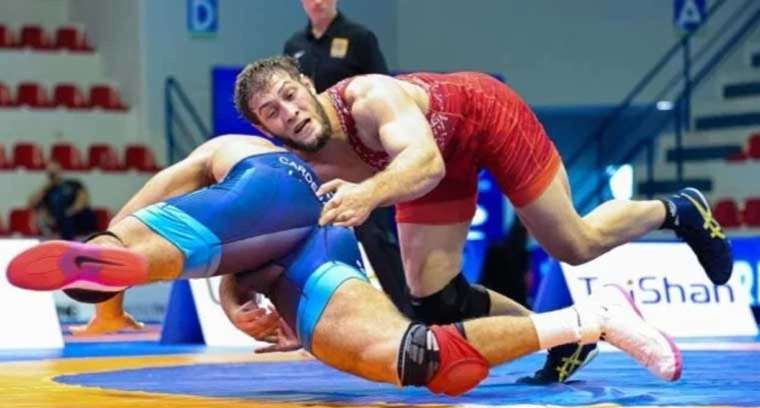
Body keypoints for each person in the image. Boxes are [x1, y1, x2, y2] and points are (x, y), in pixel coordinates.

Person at [6, 134, 682, 395]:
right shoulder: (282, 189)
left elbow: (164, 192)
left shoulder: (234, 149)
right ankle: (590, 318)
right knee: (415, 356)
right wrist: (240, 297)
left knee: (146, 247)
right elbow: (246, 252)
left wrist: (117, 251)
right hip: (312, 243)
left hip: (275, 200)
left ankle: (117, 259)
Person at [232, 55, 733, 382]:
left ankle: (679, 209)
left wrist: (367, 194)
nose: (288, 112)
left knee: (575, 244)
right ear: (263, 128)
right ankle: (568, 332)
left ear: (307, 84)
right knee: (436, 302)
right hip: (423, 166)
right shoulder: (296, 168)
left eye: (289, 94)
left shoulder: (368, 97)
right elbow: (259, 244)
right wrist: (245, 302)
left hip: (482, 118)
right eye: (271, 111)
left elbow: (424, 164)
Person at [284, 0, 412, 316]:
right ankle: (325, 315)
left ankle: (408, 314)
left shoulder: (359, 38)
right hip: (315, 156)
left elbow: (385, 89)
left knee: (375, 234)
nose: (317, 2)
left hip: (360, 153)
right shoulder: (294, 45)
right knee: (318, 233)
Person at [28, 162, 97, 240]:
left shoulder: (72, 184)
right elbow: (31, 203)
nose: (53, 175)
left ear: (60, 171)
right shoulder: (47, 191)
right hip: (59, 221)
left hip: (77, 217)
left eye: (55, 172)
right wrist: (46, 188)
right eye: (51, 173)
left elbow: (83, 200)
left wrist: (70, 211)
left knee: (78, 216)